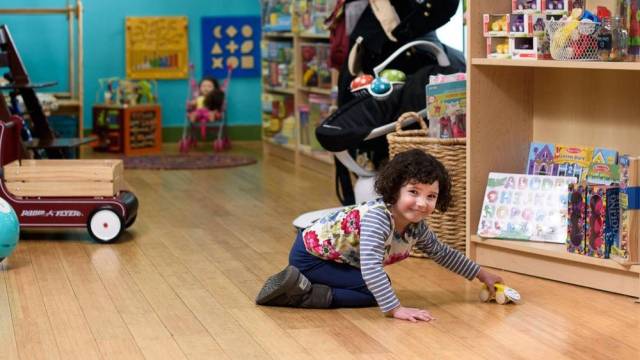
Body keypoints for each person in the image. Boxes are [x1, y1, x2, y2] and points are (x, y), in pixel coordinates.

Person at [255, 149, 504, 322]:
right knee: (374, 290)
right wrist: (395, 309)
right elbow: (371, 269)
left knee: (378, 287)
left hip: (331, 259)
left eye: (431, 196)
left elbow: (442, 252)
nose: (421, 203)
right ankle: (303, 294)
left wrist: (482, 274)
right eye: (414, 192)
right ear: (395, 189)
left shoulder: (416, 226)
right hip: (310, 258)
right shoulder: (378, 218)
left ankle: (308, 285)